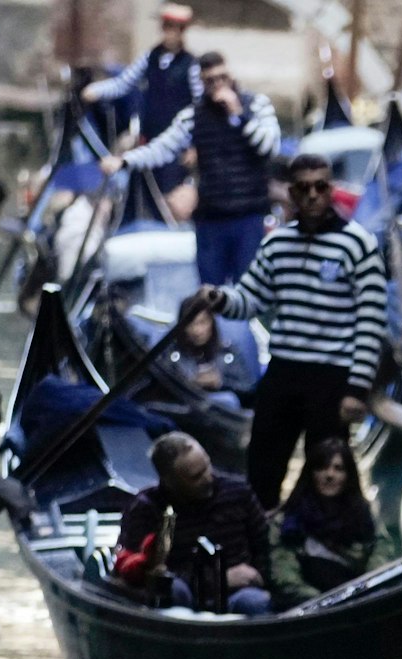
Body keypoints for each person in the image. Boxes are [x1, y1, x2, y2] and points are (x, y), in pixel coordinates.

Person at [196, 154, 388, 510]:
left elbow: (372, 321)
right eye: (304, 188)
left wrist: (356, 388)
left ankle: (320, 546)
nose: (313, 195)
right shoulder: (277, 244)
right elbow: (250, 299)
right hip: (284, 369)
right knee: (262, 464)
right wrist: (218, 298)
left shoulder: (358, 245)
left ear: (330, 190)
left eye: (320, 186)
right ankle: (257, 540)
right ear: (292, 194)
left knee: (326, 470)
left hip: (332, 375)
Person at [101, 52, 280, 286]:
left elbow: (269, 147)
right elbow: (162, 149)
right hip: (211, 219)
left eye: (222, 78)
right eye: (211, 80)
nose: (218, 85)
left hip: (248, 216)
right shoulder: (193, 117)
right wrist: (125, 161)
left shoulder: (256, 106)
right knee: (209, 293)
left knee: (246, 289)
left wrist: (239, 115)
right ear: (203, 83)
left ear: (231, 76)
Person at [113, 432, 273, 616]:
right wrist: (218, 579)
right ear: (169, 481)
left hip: (239, 593)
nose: (208, 478)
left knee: (255, 604)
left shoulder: (237, 493)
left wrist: (260, 577)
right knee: (170, 591)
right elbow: (136, 570)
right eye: (196, 476)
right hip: (181, 595)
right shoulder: (147, 510)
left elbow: (264, 543)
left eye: (207, 466)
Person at [81, 4, 202, 221]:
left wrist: (194, 145)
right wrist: (94, 91)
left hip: (176, 147)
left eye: (173, 27)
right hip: (149, 140)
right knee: (139, 193)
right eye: (165, 26)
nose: (168, 32)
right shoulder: (151, 58)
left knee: (167, 198)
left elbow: (199, 105)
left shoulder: (191, 65)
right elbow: (123, 83)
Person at [278, 438, 377, 592]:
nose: (330, 475)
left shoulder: (364, 518)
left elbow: (380, 561)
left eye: (338, 468)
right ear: (311, 473)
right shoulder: (287, 521)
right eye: (322, 467)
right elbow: (284, 574)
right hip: (308, 605)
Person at [158, 293, 254, 409]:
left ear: (211, 322)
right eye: (190, 323)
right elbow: (160, 388)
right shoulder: (170, 354)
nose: (197, 330)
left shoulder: (228, 353)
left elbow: (249, 391)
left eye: (202, 322)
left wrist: (220, 383)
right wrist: (190, 383)